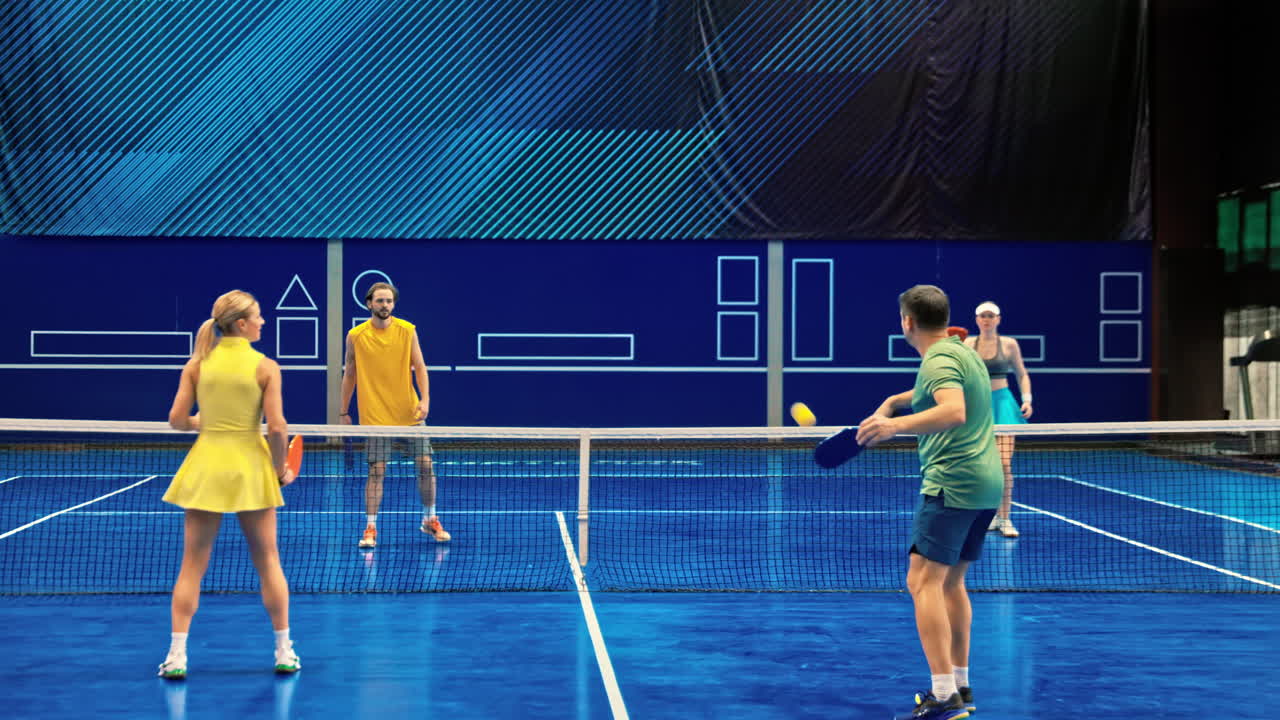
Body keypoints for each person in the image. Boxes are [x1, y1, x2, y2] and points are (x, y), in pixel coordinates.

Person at [856, 285, 1002, 719]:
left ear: (907, 321)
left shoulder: (937, 359)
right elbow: (938, 391)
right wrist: (892, 402)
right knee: (952, 584)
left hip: (951, 485)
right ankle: (960, 684)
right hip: (985, 485)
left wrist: (892, 426)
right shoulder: (962, 351)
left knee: (921, 582)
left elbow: (953, 409)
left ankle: (942, 697)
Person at [158, 290, 300, 679]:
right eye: (258, 317)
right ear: (241, 324)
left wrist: (206, 421)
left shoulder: (197, 364)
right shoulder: (266, 366)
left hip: (207, 466)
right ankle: (284, 651)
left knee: (191, 566)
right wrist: (279, 469)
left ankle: (176, 656)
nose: (263, 322)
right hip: (250, 467)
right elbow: (278, 427)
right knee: (268, 561)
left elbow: (175, 419)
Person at [341, 281, 450, 548]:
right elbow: (350, 374)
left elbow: (420, 367)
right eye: (379, 301)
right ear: (369, 304)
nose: (385, 305)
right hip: (375, 416)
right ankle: (370, 528)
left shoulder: (407, 331)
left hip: (409, 413)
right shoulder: (356, 336)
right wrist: (343, 411)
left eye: (389, 301)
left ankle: (430, 519)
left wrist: (425, 400)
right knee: (376, 471)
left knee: (425, 465)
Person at [963, 301, 1032, 538]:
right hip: (978, 406)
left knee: (1003, 464)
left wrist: (1027, 399)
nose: (986, 319)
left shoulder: (1010, 345)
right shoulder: (968, 344)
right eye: (982, 315)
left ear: (998, 319)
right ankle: (986, 515)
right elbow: (962, 375)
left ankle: (1005, 518)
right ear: (976, 319)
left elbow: (1022, 374)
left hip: (1003, 405)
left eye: (991, 316)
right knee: (981, 466)